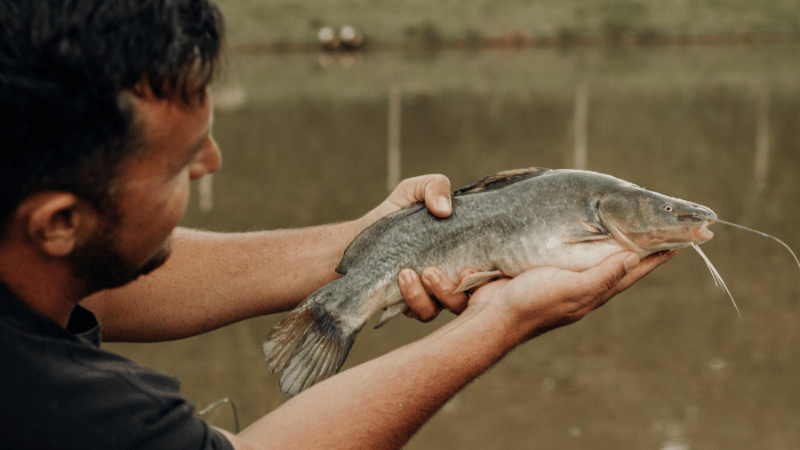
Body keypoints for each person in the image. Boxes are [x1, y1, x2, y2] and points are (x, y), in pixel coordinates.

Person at [0, 1, 676, 449]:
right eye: (180, 163)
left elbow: (98, 280)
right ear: (59, 221)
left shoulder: (33, 247)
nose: (213, 162)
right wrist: (503, 322)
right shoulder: (67, 408)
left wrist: (380, 239)